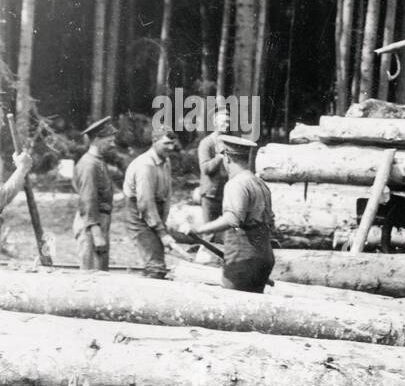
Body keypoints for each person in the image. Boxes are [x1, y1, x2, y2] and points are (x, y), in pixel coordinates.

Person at [191, 135, 276, 293]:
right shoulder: (260, 183)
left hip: (242, 259)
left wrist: (199, 229)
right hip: (264, 257)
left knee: (233, 306)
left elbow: (232, 219)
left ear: (227, 158)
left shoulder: (236, 184)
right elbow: (272, 222)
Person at [123, 128, 178, 279]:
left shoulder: (165, 161)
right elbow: (145, 203)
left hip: (155, 215)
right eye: (166, 143)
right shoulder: (145, 165)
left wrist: (163, 224)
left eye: (173, 144)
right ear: (154, 141)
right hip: (139, 215)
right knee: (156, 266)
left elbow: (167, 194)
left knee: (158, 260)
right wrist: (162, 233)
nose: (171, 148)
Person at [72, 119, 115, 270]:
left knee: (100, 273)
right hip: (91, 225)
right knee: (91, 277)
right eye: (110, 141)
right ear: (97, 140)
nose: (113, 144)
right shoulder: (89, 165)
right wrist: (96, 233)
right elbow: (88, 199)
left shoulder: (98, 162)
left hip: (98, 222)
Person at [196, 110, 230, 243]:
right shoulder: (207, 143)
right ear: (215, 123)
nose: (226, 125)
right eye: (223, 122)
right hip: (211, 194)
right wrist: (220, 156)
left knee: (226, 231)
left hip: (226, 193)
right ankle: (206, 258)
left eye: (228, 122)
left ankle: (222, 259)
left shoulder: (229, 141)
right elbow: (205, 169)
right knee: (209, 231)